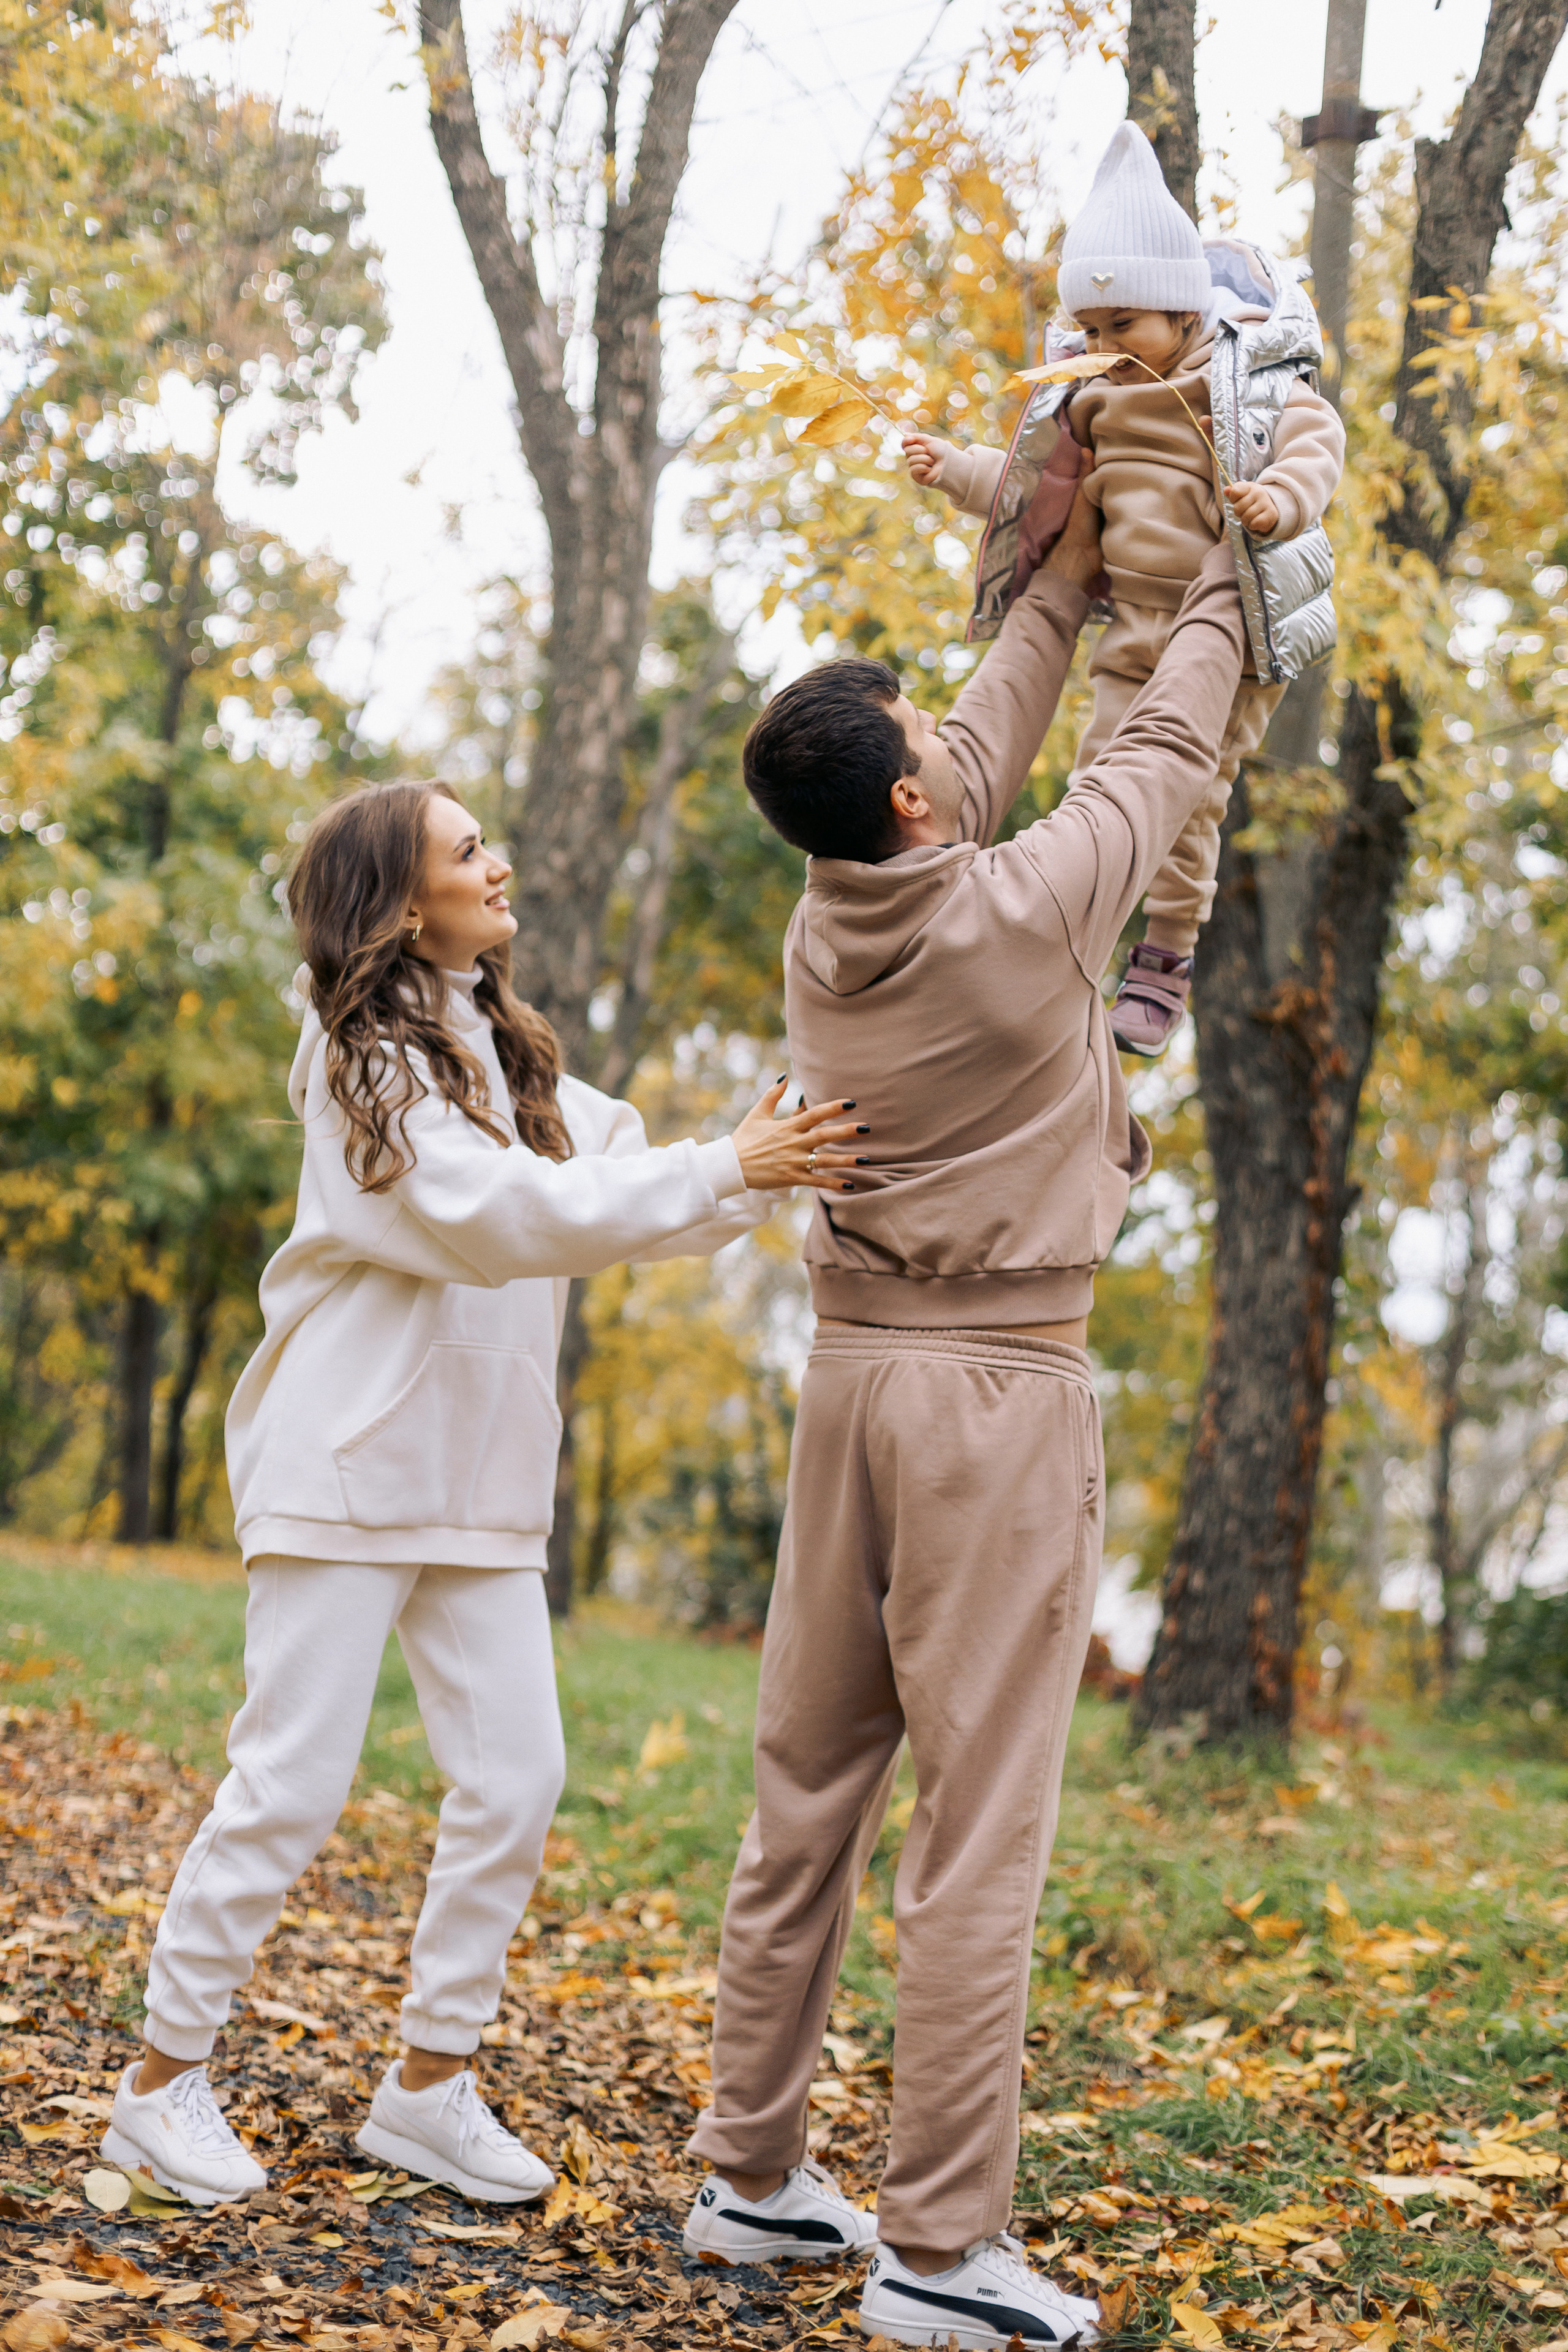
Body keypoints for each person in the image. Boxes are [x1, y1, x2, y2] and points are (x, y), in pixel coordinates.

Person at [99, 780, 865, 2210]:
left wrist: (758, 1164)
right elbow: (506, 1220)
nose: (498, 861)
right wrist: (725, 1166)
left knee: (517, 1781)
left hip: (481, 1479)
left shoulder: (510, 1058)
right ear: (399, 904)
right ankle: (159, 2084)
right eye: (465, 851)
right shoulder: (362, 1065)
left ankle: (429, 2087)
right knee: (289, 1785)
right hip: (342, 1468)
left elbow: (621, 1192)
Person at [679, 492, 1250, 2348]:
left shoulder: (832, 915)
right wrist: (1228, 550)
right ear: (916, 805)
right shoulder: (1024, 916)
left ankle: (752, 2177)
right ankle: (939, 2253)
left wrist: (1067, 555)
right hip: (996, 1388)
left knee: (807, 1792)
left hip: (849, 1378)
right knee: (979, 1824)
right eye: (927, 740)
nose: (955, 740)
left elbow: (991, 731)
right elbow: (1160, 746)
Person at [903, 118, 1345, 1057]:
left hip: (1228, 631)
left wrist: (1277, 499)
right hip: (1133, 626)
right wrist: (955, 470)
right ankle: (1078, 951)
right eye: (1092, 331)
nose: (1105, 344)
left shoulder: (1245, 382)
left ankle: (1167, 955)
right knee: (1101, 790)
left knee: (1186, 797)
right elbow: (1040, 498)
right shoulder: (1093, 400)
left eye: (1125, 325)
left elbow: (1319, 444)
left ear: (1185, 313)